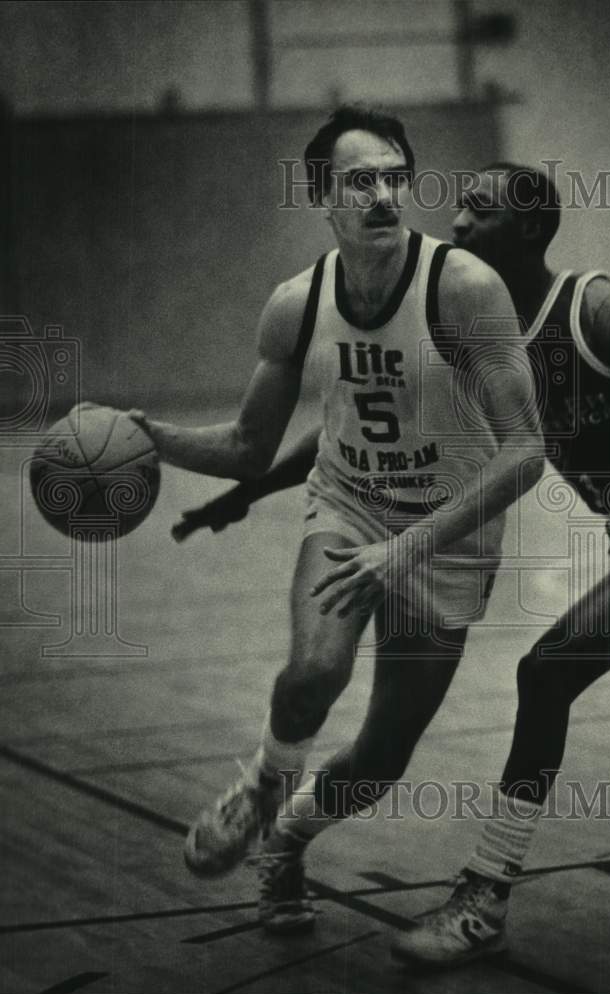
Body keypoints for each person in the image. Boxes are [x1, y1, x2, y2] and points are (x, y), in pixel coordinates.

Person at [177, 162, 610, 964]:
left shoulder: (592, 306)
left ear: (530, 229)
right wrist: (246, 492)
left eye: (479, 210)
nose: (457, 222)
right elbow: (344, 432)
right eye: (459, 207)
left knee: (548, 672)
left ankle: (485, 896)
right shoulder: (470, 331)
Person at [130, 110, 545, 933]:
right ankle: (265, 780)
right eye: (362, 180)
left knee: (382, 758)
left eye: (396, 176)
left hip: (448, 534)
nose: (385, 194)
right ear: (323, 194)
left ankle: (286, 842)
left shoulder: (463, 287)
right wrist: (153, 440)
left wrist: (411, 548)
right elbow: (252, 445)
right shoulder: (296, 302)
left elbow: (526, 451)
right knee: (316, 673)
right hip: (349, 507)